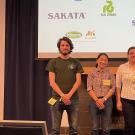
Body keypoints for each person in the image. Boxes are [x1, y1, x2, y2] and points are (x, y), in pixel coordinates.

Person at [46, 36, 84, 135]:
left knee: (74, 130)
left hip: (73, 99)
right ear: (59, 47)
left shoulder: (76, 62)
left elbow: (78, 81)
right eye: (62, 45)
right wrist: (63, 95)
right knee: (55, 130)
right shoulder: (53, 62)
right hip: (56, 98)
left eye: (67, 45)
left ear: (70, 47)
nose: (65, 47)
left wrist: (68, 96)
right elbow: (52, 82)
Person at [87, 53, 115, 135]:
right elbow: (89, 88)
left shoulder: (110, 73)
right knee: (94, 128)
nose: (103, 61)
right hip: (93, 101)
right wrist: (97, 100)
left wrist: (103, 99)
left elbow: (113, 88)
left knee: (106, 128)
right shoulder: (91, 72)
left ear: (107, 62)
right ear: (97, 60)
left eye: (105, 60)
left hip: (107, 101)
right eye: (101, 59)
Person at [116, 46, 135, 135]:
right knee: (129, 125)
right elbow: (118, 86)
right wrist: (118, 102)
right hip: (127, 101)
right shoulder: (122, 67)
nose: (133, 55)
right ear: (127, 55)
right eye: (131, 53)